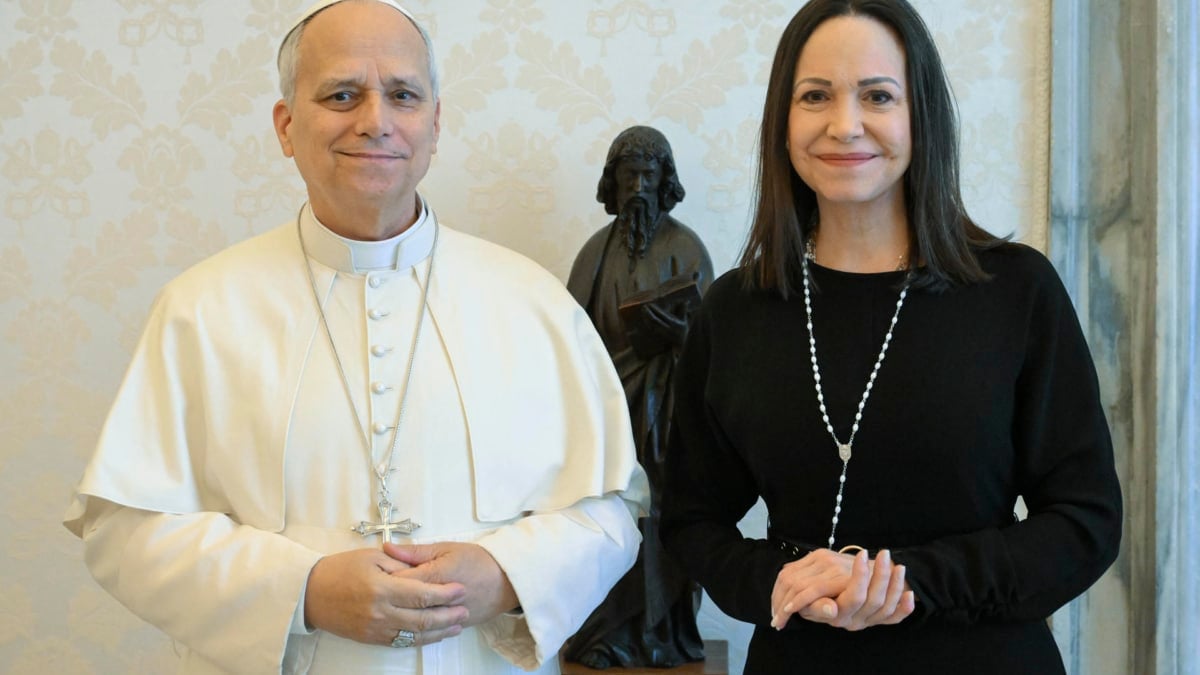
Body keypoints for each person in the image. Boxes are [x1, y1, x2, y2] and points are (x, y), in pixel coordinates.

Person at [62, 1, 649, 673]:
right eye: (342, 94)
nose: (375, 120)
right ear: (286, 126)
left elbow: (612, 510)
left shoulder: (533, 302)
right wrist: (301, 589)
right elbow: (123, 529)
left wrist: (506, 573)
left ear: (434, 124)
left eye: (403, 95)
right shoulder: (200, 308)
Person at [659, 0, 1123, 672]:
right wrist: (777, 581)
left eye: (878, 95)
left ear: (920, 115)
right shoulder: (733, 309)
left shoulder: (1016, 291)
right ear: (783, 123)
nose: (845, 125)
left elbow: (1085, 522)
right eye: (816, 95)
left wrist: (905, 579)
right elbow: (690, 521)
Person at [563, 126, 712, 669]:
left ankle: (664, 634)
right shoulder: (594, 253)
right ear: (615, 183)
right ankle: (604, 635)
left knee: (664, 524)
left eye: (650, 177)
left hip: (669, 417)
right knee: (607, 520)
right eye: (630, 178)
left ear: (664, 182)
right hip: (606, 414)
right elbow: (569, 334)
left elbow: (710, 341)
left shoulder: (687, 248)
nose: (640, 189)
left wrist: (674, 335)